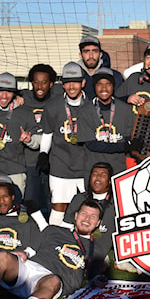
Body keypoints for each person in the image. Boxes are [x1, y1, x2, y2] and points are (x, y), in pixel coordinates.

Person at [42, 62, 101, 224]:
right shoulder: (53, 106)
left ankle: (84, 245)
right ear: (62, 84)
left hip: (85, 167)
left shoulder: (93, 106)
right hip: (60, 165)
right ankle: (52, 244)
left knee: (87, 209)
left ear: (83, 82)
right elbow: (47, 134)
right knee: (58, 208)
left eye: (75, 81)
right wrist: (42, 154)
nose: (71, 86)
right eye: (67, 82)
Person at [0, 72, 40, 212]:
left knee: (12, 212)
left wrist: (30, 140)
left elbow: (37, 140)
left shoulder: (24, 112)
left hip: (13, 170)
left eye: (9, 92)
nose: (4, 96)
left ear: (15, 93)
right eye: (0, 91)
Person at [83, 67, 142, 174]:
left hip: (118, 170)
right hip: (94, 171)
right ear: (94, 87)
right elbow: (91, 144)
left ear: (113, 86)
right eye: (99, 84)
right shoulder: (85, 110)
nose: (104, 88)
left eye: (108, 84)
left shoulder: (125, 109)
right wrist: (123, 146)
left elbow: (130, 138)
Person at [20, 63, 57, 210]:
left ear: (51, 84)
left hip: (53, 162)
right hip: (30, 162)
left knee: (50, 203)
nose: (40, 86)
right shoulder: (22, 97)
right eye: (36, 82)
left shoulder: (58, 99)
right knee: (31, 202)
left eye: (44, 82)